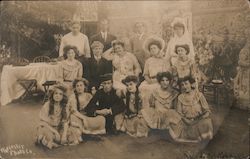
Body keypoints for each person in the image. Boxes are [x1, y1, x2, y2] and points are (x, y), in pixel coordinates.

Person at [171, 76, 213, 143]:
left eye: (186, 84)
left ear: (191, 84)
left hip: (198, 120)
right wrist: (186, 120)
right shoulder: (180, 97)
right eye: (182, 85)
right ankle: (192, 136)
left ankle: (200, 135)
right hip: (186, 121)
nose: (184, 86)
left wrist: (199, 118)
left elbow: (207, 111)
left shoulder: (199, 95)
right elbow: (179, 113)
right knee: (173, 124)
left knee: (207, 122)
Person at [66, 79, 106, 145]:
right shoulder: (73, 96)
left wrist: (95, 95)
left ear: (84, 86)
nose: (79, 87)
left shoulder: (88, 95)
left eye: (81, 85)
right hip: (78, 116)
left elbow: (94, 106)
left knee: (101, 118)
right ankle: (82, 134)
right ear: (75, 88)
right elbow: (74, 110)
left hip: (88, 116)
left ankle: (90, 132)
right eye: (77, 86)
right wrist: (83, 118)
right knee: (73, 118)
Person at [139, 36, 171, 106]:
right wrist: (149, 81)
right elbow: (146, 74)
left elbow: (166, 74)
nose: (153, 50)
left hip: (161, 81)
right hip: (150, 80)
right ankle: (147, 109)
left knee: (155, 89)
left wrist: (158, 80)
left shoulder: (164, 60)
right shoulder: (148, 60)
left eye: (154, 48)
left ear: (159, 49)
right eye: (151, 49)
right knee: (143, 88)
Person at [36, 85, 69, 149]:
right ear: (52, 95)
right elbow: (43, 122)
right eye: (56, 93)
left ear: (63, 96)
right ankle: (47, 140)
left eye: (60, 94)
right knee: (49, 135)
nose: (57, 96)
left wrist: (64, 135)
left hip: (58, 127)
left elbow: (65, 122)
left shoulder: (64, 106)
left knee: (66, 136)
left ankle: (50, 141)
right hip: (48, 127)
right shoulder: (47, 105)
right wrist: (55, 132)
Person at [234, 29, 250, 110]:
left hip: (247, 71)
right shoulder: (245, 48)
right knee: (242, 85)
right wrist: (243, 63)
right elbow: (240, 60)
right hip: (243, 71)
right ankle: (243, 104)